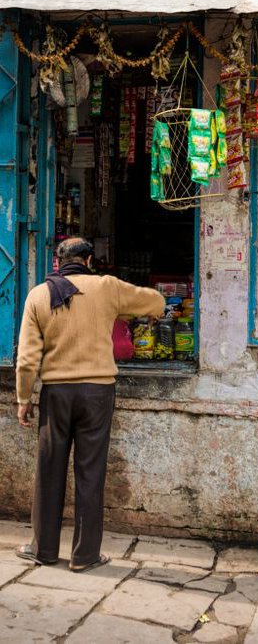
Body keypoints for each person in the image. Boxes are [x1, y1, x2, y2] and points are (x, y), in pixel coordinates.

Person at [15, 236, 165, 572]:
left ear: (58, 262)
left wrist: (24, 398)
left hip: (56, 394)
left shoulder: (39, 295)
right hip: (98, 392)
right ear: (88, 261)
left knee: (49, 470)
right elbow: (155, 301)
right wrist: (122, 311)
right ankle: (85, 556)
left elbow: (26, 359)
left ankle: (43, 550)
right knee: (90, 472)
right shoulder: (107, 287)